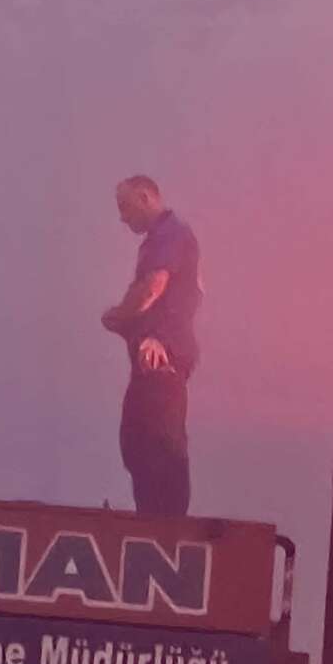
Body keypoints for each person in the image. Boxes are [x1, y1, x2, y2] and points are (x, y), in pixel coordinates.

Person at [102, 176, 201, 517]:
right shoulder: (166, 238)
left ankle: (164, 528)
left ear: (146, 197)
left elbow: (152, 289)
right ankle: (155, 522)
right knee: (138, 442)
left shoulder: (170, 234)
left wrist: (120, 315)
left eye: (124, 206)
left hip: (162, 359)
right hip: (156, 355)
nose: (122, 217)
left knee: (157, 443)